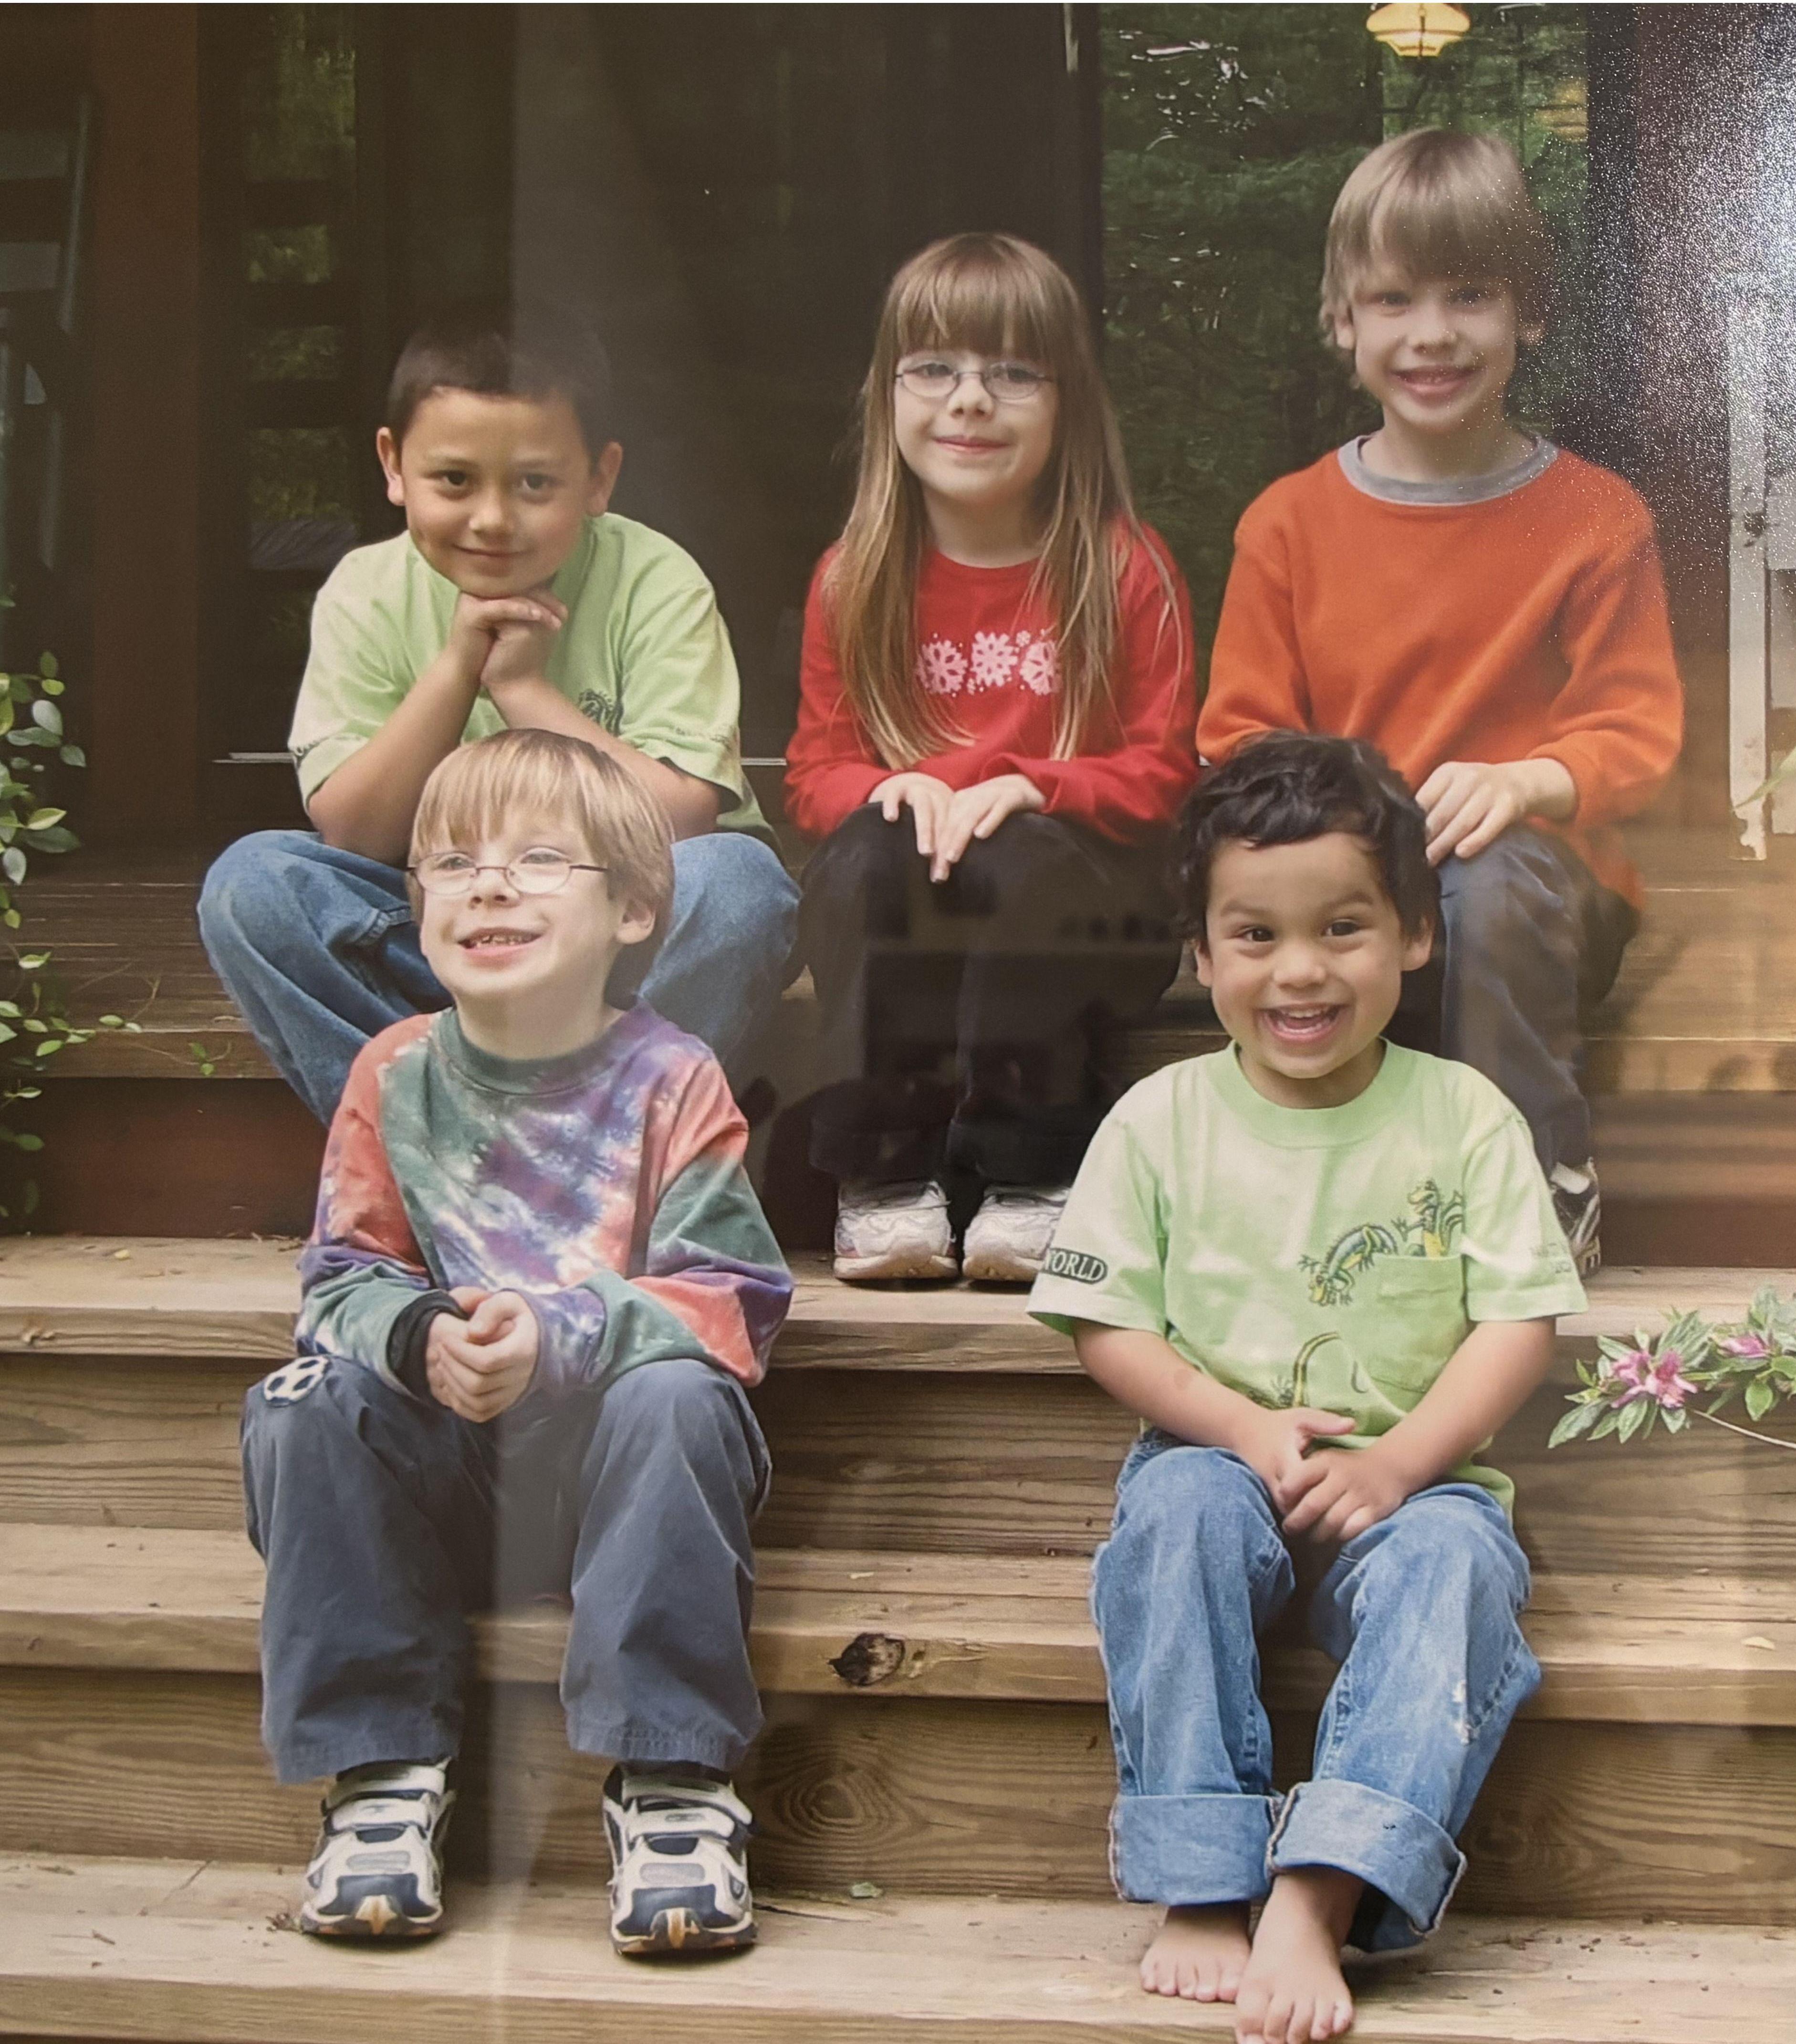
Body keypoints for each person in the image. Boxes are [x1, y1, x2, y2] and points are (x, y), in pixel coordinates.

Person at [1030, 734, 1584, 2044]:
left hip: (1415, 1480)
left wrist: (1400, 1465)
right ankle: (1198, 1875)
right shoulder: (1160, 1118)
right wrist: (1232, 1424)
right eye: (1255, 934)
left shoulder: (1463, 1115)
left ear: (1413, 938)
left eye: (1343, 926)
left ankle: (1321, 1886)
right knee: (1172, 1527)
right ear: (1202, 953)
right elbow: (1104, 1323)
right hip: (1214, 1460)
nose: (1298, 969)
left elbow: (1518, 1320)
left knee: (1457, 1568)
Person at [240, 729, 793, 1958]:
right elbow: (340, 1279)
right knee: (302, 1399)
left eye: (542, 859)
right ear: (419, 908)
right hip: (451, 1468)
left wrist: (558, 1335)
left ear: (639, 910)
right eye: (449, 862)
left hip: (619, 1482)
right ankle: (379, 1774)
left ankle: (671, 1786)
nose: (488, 882)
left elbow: (736, 1294)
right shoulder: (392, 1074)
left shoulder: (673, 1079)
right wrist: (427, 1333)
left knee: (679, 1399)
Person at [1200, 128, 1685, 1276]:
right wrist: (1352, 830)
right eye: (1394, 299)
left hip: (1537, 887)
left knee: (1486, 878)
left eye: (1471, 295)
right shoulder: (1287, 524)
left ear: (1531, 314)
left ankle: (1534, 1179)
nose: (1431, 334)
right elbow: (1240, 739)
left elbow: (1637, 729)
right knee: (1301, 913)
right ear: (1344, 323)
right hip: (1348, 878)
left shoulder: (1596, 518)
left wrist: (1525, 779)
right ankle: (1307, 1190)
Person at [199, 301, 800, 1123]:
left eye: (534, 484)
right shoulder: (366, 591)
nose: (491, 518)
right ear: (393, 465)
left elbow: (682, 823)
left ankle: (605, 1146)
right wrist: (456, 670)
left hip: (616, 942)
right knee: (256, 884)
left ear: (599, 478)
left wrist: (525, 691)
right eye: (454, 480)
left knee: (738, 884)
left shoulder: (655, 580)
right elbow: (357, 834)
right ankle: (433, 1142)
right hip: (445, 935)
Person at [785, 231, 1197, 1285]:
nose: (971, 400)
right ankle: (883, 1179)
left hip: (1082, 914)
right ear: (888, 395)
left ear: (1066, 404)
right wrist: (893, 786)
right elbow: (813, 769)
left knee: (1025, 859)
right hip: (918, 904)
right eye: (935, 368)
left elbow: (1165, 775)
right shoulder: (855, 575)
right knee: (872, 852)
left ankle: (1032, 1176)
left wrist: (1034, 786)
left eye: (1014, 372)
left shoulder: (1121, 567)